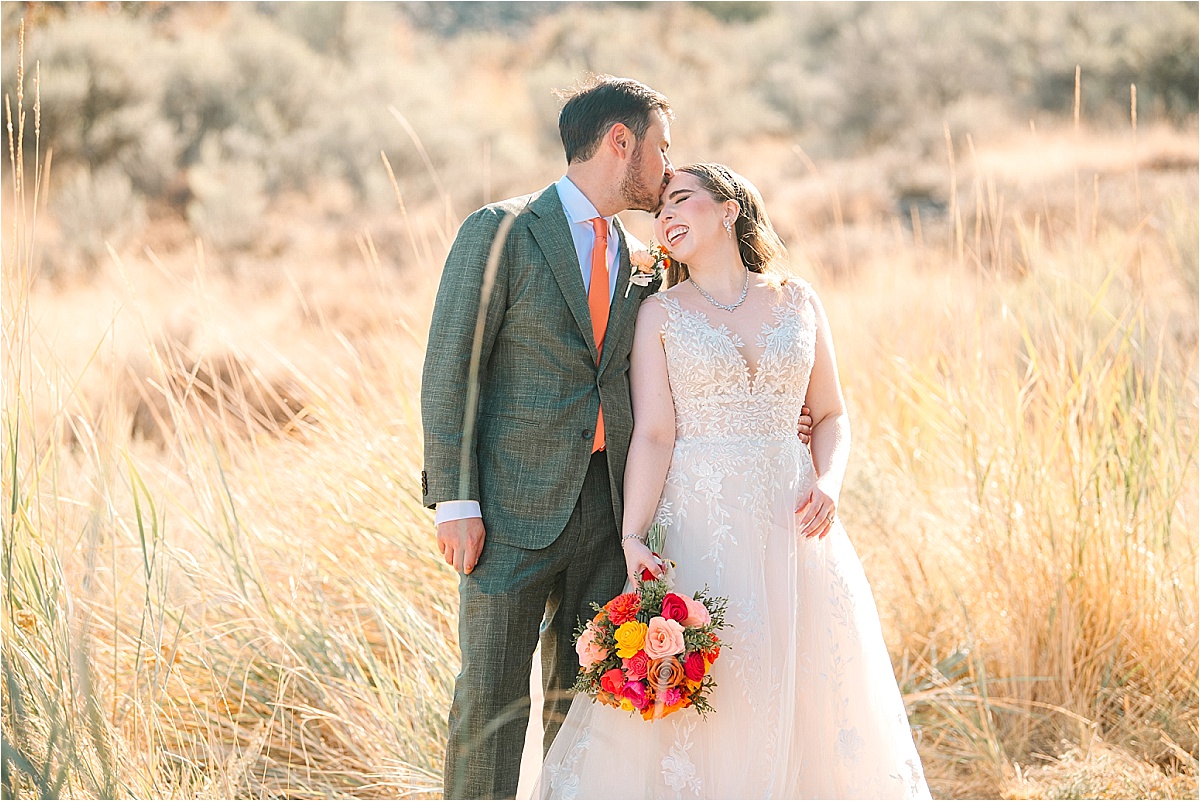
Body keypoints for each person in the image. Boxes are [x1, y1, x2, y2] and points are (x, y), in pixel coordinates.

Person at [422, 74, 815, 800]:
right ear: (620, 141)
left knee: (589, 714)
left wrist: (769, 412)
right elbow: (453, 368)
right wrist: (453, 499)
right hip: (509, 513)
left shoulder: (646, 260)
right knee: (490, 701)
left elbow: (670, 379)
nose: (668, 169)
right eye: (662, 149)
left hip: (610, 519)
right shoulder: (501, 230)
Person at [531, 164, 931, 799]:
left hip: (797, 522)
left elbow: (831, 414)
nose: (666, 216)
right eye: (659, 209)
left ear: (730, 210)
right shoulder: (659, 314)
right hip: (701, 522)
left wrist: (828, 482)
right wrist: (635, 536)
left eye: (681, 199)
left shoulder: (799, 299)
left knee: (805, 684)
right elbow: (655, 434)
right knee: (719, 688)